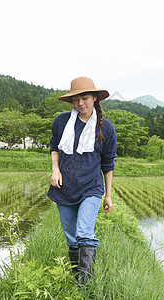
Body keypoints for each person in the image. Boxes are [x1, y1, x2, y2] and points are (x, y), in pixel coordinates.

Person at [47, 76, 117, 287]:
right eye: (76, 99)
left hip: (91, 187)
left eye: (85, 98)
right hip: (64, 187)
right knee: (71, 237)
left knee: (84, 232)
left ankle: (84, 286)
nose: (80, 103)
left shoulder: (106, 128)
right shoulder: (61, 121)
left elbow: (108, 163)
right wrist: (55, 170)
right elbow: (54, 147)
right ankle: (76, 277)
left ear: (94, 98)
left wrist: (108, 194)